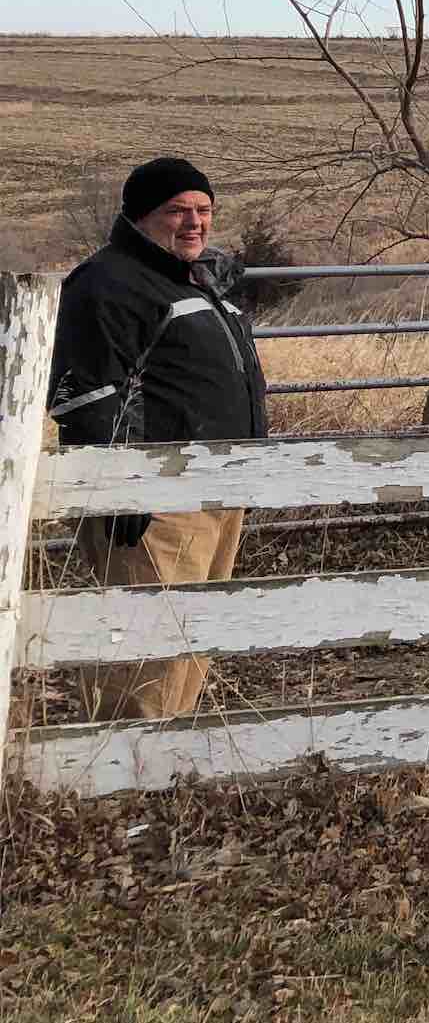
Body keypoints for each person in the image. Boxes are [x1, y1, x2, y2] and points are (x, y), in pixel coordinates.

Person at [46, 155, 268, 720]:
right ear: (142, 216)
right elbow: (86, 394)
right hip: (155, 497)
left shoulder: (189, 278)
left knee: (193, 632)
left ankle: (165, 767)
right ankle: (127, 770)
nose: (194, 222)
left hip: (217, 488)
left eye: (204, 210)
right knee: (147, 639)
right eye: (177, 210)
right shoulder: (108, 282)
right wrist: (125, 490)